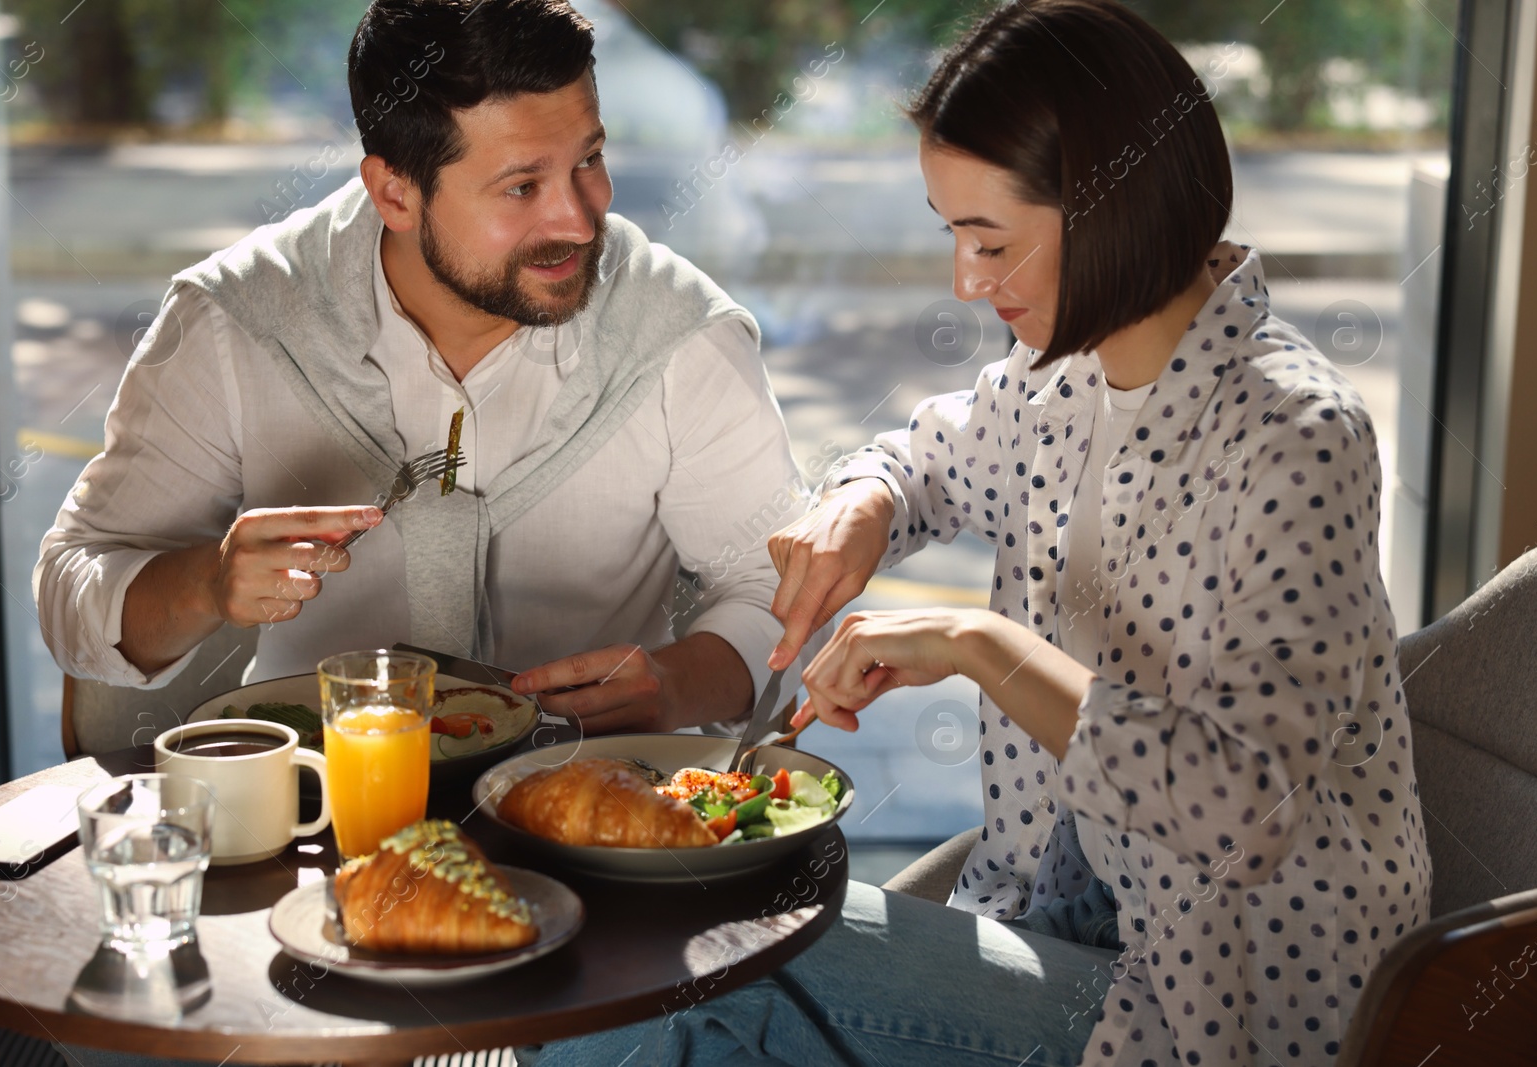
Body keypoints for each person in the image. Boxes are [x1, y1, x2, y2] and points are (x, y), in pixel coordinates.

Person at [520, 2, 1432, 1065]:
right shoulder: (1061, 378)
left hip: (1211, 994)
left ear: (1110, 207)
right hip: (1048, 914)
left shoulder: (1297, 438)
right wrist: (857, 506)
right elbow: (923, 461)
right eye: (952, 232)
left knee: (696, 960)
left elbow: (1249, 804)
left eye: (989, 241)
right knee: (675, 966)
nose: (965, 279)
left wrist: (978, 649)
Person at [34, 0, 824, 739]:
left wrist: (678, 684)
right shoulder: (234, 318)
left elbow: (783, 595)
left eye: (589, 159)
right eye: (523, 186)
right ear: (395, 193)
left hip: (595, 818)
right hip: (321, 822)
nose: (581, 219)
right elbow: (72, 584)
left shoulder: (682, 332)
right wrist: (207, 583)